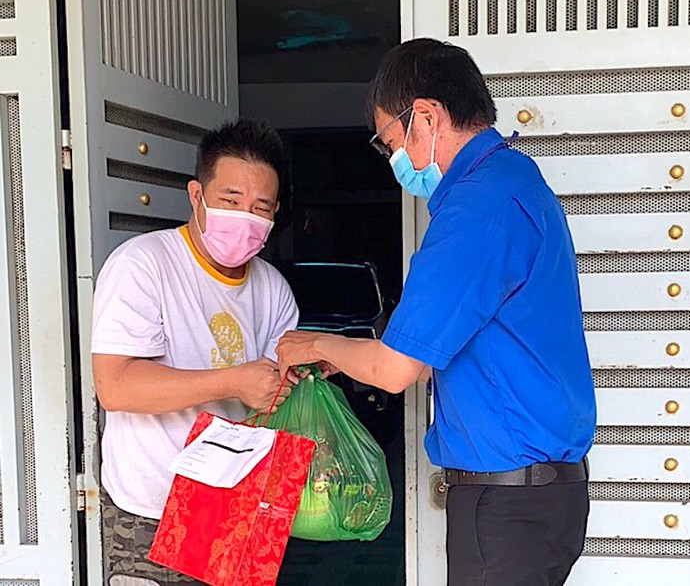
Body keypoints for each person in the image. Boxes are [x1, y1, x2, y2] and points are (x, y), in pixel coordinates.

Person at [276, 38, 596, 586]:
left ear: (425, 116)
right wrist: (345, 358)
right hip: (543, 497)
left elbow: (395, 371)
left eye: (390, 142)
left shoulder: (476, 208)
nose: (394, 160)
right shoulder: (518, 182)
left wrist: (313, 344)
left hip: (506, 507)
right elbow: (423, 359)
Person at [92, 119, 299, 585]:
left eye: (260, 207)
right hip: (151, 512)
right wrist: (235, 380)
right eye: (230, 201)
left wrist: (290, 381)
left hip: (237, 507)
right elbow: (116, 386)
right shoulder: (143, 265)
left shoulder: (273, 289)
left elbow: (268, 400)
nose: (246, 217)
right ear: (196, 195)